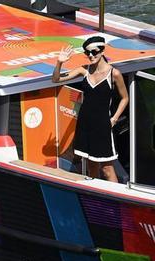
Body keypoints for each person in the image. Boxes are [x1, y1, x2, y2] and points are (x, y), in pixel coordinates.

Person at [52, 36, 129, 183]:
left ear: (102, 51)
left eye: (94, 52)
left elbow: (125, 98)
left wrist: (114, 118)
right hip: (85, 123)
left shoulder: (114, 74)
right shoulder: (84, 70)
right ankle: (95, 198)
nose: (91, 56)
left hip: (102, 126)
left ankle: (116, 202)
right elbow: (55, 80)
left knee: (107, 169)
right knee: (91, 166)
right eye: (87, 53)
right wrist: (59, 62)